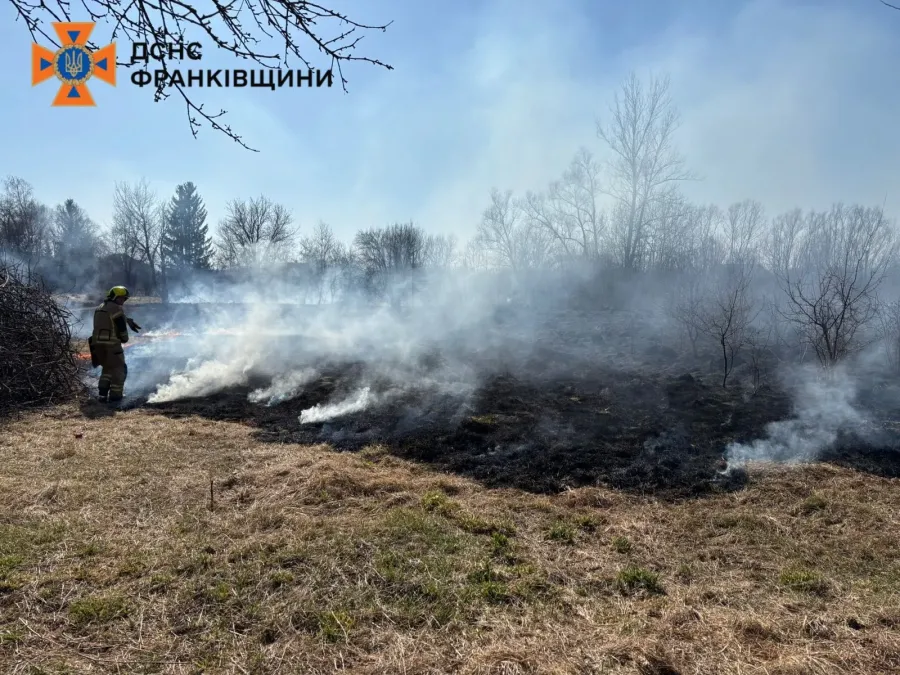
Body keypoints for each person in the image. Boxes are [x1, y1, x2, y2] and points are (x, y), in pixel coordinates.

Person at [89, 286, 141, 404]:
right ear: (114, 297)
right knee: (119, 370)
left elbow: (109, 318)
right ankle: (116, 397)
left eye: (124, 299)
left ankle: (102, 395)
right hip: (111, 345)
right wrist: (124, 338)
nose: (123, 301)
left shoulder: (100, 307)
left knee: (107, 369)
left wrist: (128, 320)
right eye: (121, 298)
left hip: (97, 345)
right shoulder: (116, 308)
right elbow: (120, 326)